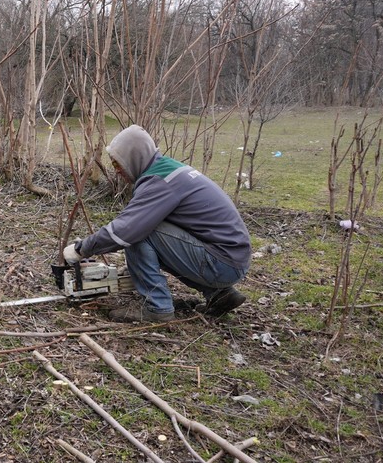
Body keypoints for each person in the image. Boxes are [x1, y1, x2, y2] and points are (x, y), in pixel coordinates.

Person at [63, 125, 251, 322]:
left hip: (222, 262)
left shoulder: (161, 181)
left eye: (118, 164)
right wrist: (137, 267)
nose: (117, 171)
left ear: (134, 158)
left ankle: (158, 308)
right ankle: (220, 295)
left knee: (140, 231)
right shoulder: (167, 170)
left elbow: (127, 229)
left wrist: (81, 249)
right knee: (143, 227)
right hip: (230, 257)